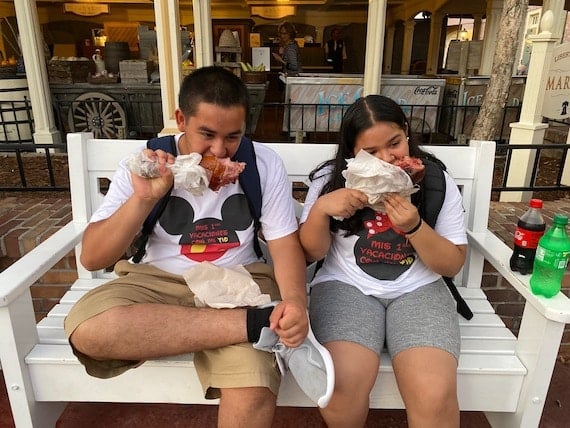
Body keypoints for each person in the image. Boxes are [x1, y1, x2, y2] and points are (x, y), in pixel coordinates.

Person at [64, 66, 332, 427]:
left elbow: (284, 245)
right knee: (89, 330)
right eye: (206, 134)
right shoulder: (145, 163)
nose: (219, 150)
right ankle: (255, 326)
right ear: (180, 120)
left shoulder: (262, 163)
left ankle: (251, 323)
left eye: (232, 137)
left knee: (253, 392)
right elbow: (94, 256)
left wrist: (296, 303)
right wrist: (144, 199)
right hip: (156, 280)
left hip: (240, 281)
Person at [299, 94, 466, 427]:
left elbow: (451, 264)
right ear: (351, 153)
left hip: (420, 289)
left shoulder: (435, 182)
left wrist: (415, 227)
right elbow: (310, 253)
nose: (387, 160)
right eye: (370, 153)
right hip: (346, 287)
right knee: (340, 392)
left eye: (395, 144)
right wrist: (320, 210)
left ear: (407, 132)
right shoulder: (329, 182)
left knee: (435, 397)